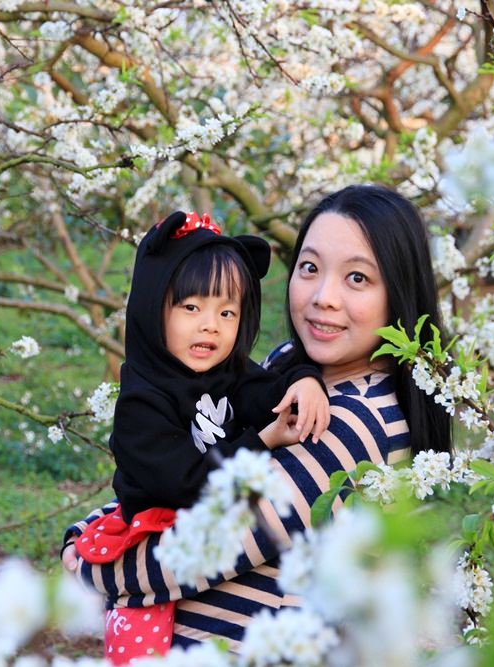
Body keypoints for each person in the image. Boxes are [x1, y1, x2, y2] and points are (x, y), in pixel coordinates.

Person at [62, 185, 451, 651]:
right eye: (310, 268)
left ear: (400, 292)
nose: (323, 296)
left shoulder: (352, 424)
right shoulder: (293, 370)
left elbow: (202, 549)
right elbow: (188, 468)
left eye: (357, 278)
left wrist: (89, 561)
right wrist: (100, 525)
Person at [67, 210, 330, 663]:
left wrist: (304, 380)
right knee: (143, 651)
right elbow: (184, 482)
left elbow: (270, 390)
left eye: (227, 312)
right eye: (191, 308)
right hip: (152, 546)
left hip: (214, 555)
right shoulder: (141, 403)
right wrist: (260, 443)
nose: (211, 325)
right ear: (154, 308)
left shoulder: (228, 373)